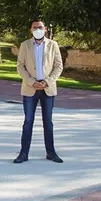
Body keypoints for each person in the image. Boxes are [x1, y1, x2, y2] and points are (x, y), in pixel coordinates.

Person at [14, 19, 64, 164]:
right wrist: (32, 82)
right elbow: (20, 67)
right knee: (28, 121)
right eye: (35, 27)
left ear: (45, 29)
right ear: (31, 30)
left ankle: (51, 152)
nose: (38, 29)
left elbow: (58, 67)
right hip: (30, 89)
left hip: (48, 89)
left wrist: (47, 81)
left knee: (48, 122)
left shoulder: (53, 45)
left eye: (40, 27)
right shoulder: (25, 45)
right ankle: (23, 153)